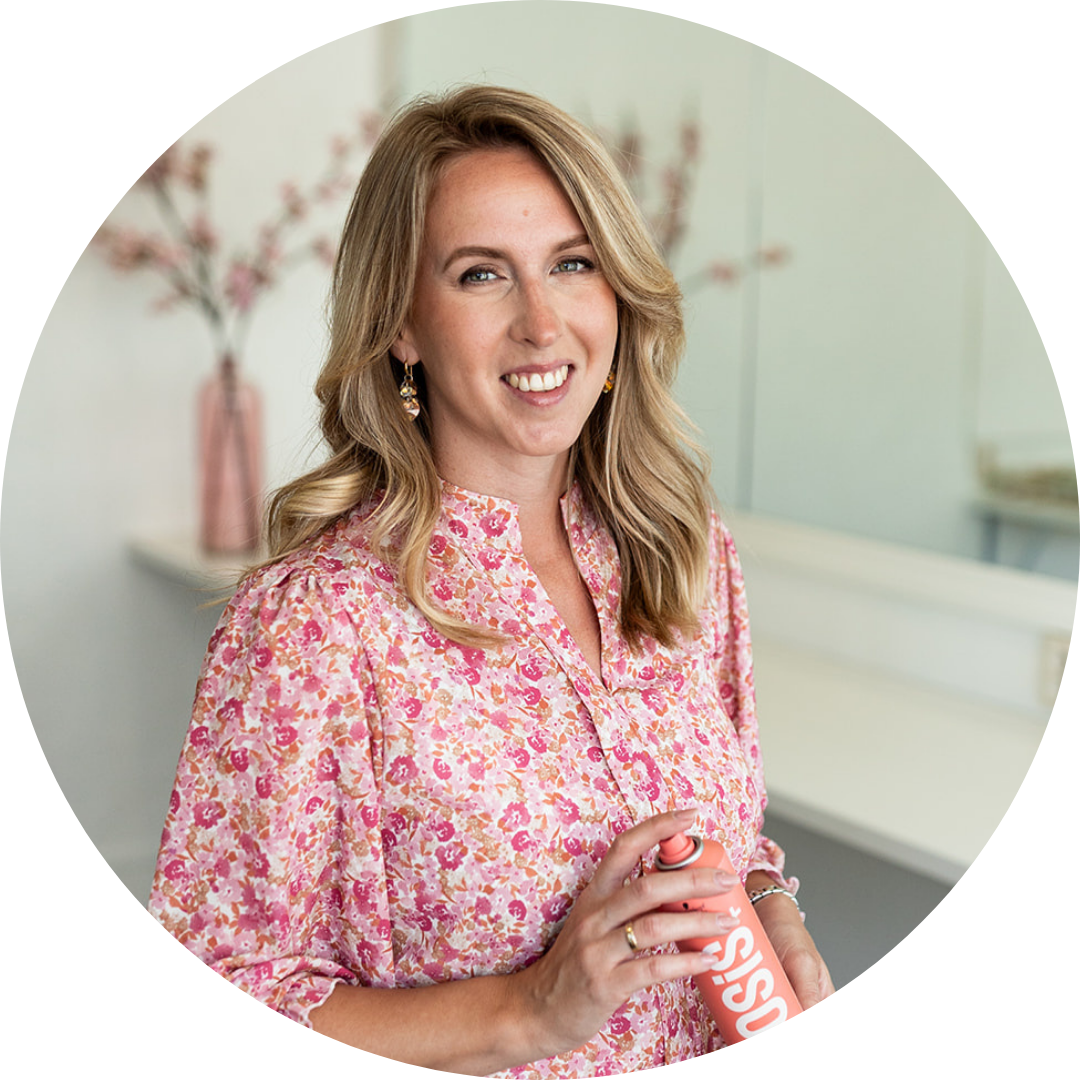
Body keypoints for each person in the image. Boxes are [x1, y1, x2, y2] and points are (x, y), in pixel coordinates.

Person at [148, 84, 833, 1075]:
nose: (542, 324)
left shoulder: (684, 553)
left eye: (573, 263)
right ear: (403, 324)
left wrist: (770, 908)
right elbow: (231, 973)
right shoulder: (317, 625)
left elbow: (734, 832)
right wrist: (527, 1011)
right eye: (482, 275)